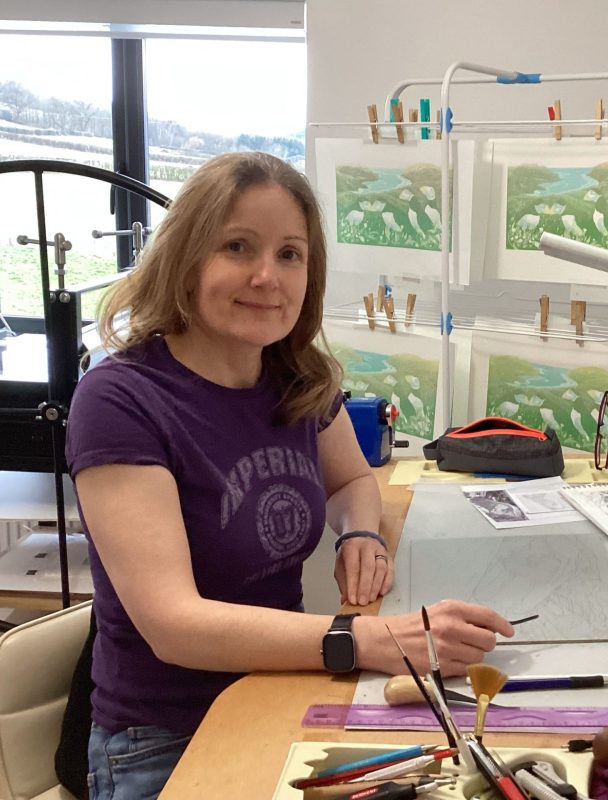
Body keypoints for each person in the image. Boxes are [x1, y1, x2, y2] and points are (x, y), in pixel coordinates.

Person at [65, 151, 514, 799]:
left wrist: (360, 534)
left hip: (283, 690)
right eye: (237, 246)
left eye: (290, 254)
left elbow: (354, 482)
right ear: (185, 256)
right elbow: (172, 623)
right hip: (165, 737)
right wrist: (369, 637)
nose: (265, 276)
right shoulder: (121, 399)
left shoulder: (295, 376)